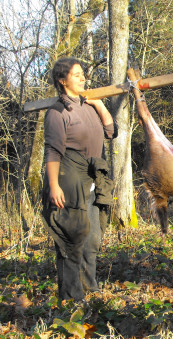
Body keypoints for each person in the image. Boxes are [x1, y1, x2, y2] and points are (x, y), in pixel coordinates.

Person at [42, 57, 118, 301]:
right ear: (62, 81)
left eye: (83, 73)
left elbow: (111, 131)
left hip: (92, 175)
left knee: (92, 237)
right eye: (77, 75)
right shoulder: (58, 112)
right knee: (73, 237)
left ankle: (90, 290)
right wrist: (54, 185)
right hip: (68, 178)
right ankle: (71, 296)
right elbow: (52, 151)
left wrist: (99, 104)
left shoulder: (88, 106)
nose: (83, 77)